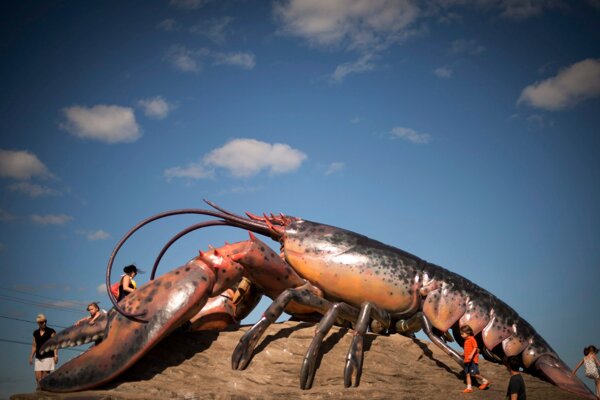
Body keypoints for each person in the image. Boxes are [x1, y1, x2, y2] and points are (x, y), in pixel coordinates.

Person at [29, 314, 58, 387]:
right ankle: (40, 391)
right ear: (38, 323)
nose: (44, 323)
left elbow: (55, 344)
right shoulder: (35, 333)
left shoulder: (51, 331)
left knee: (45, 377)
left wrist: (55, 355)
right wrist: (31, 356)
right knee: (38, 378)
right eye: (42, 322)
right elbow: (34, 345)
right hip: (38, 357)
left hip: (48, 357)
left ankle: (44, 393)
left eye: (45, 321)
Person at [460, 325, 490, 393]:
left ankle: (485, 381)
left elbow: (475, 347)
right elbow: (467, 349)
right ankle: (469, 387)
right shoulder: (466, 341)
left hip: (472, 360)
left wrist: (471, 355)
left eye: (462, 334)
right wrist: (464, 354)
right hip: (467, 360)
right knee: (467, 374)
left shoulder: (472, 339)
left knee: (474, 374)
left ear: (467, 332)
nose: (461, 335)